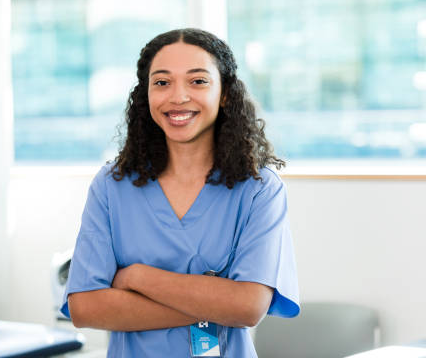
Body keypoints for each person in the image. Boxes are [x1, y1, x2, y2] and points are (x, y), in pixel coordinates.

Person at [60, 28, 300, 357]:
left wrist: (137, 277)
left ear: (225, 93)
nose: (178, 96)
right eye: (162, 82)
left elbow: (248, 308)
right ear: (145, 95)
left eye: (197, 81)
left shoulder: (259, 189)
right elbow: (85, 307)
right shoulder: (111, 185)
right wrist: (216, 302)